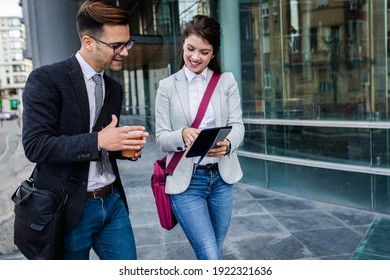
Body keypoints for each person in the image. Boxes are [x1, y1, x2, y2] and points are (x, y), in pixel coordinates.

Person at [22, 0, 149, 260]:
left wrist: (121, 149)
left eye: (127, 43)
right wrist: (99, 141)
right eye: (117, 45)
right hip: (69, 208)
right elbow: (36, 146)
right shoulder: (46, 79)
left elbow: (102, 143)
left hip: (112, 202)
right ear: (88, 42)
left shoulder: (115, 89)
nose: (125, 52)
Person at [154, 15, 245, 260]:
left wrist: (226, 145)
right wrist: (182, 135)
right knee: (210, 255)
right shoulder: (167, 86)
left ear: (213, 53)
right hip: (187, 183)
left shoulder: (226, 82)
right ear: (183, 44)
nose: (195, 57)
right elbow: (161, 138)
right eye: (190, 49)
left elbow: (238, 125)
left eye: (204, 52)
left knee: (214, 251)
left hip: (221, 180)